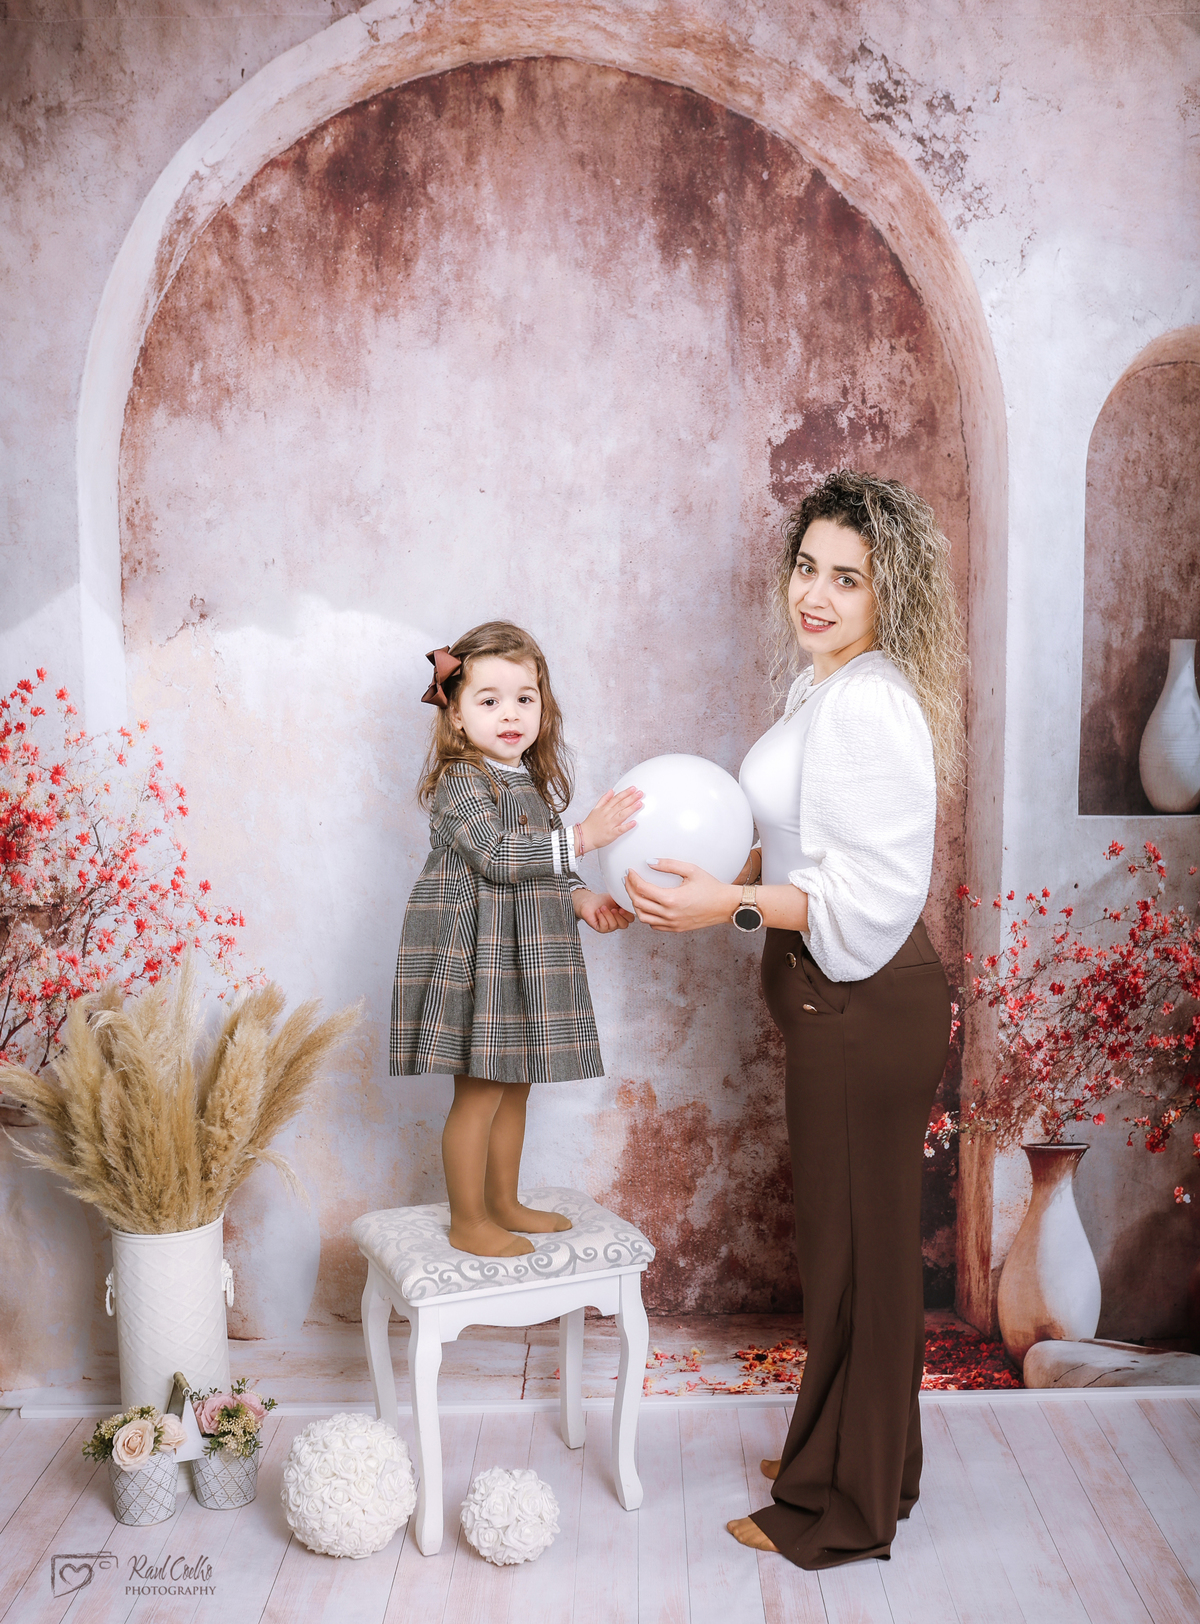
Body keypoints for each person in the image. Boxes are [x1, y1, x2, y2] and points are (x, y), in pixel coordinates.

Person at [626, 469, 964, 1570]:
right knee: (853, 1254)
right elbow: (801, 845)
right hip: (838, 1008)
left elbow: (871, 892)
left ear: (889, 592)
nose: (815, 594)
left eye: (847, 579)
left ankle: (845, 1509)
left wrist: (724, 906)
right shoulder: (826, 685)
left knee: (860, 1261)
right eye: (808, 567)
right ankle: (864, 1460)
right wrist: (688, 878)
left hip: (865, 1008)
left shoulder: (869, 702)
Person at [391, 620, 641, 1259]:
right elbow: (499, 856)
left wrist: (582, 899)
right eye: (490, 700)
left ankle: (503, 1200)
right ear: (456, 716)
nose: (511, 714)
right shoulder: (461, 782)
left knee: (515, 1084)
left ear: (543, 707)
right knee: (479, 1091)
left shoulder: (525, 781)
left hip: (522, 954)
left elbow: (544, 865)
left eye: (525, 698)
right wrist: (583, 836)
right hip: (475, 955)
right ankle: (468, 1219)